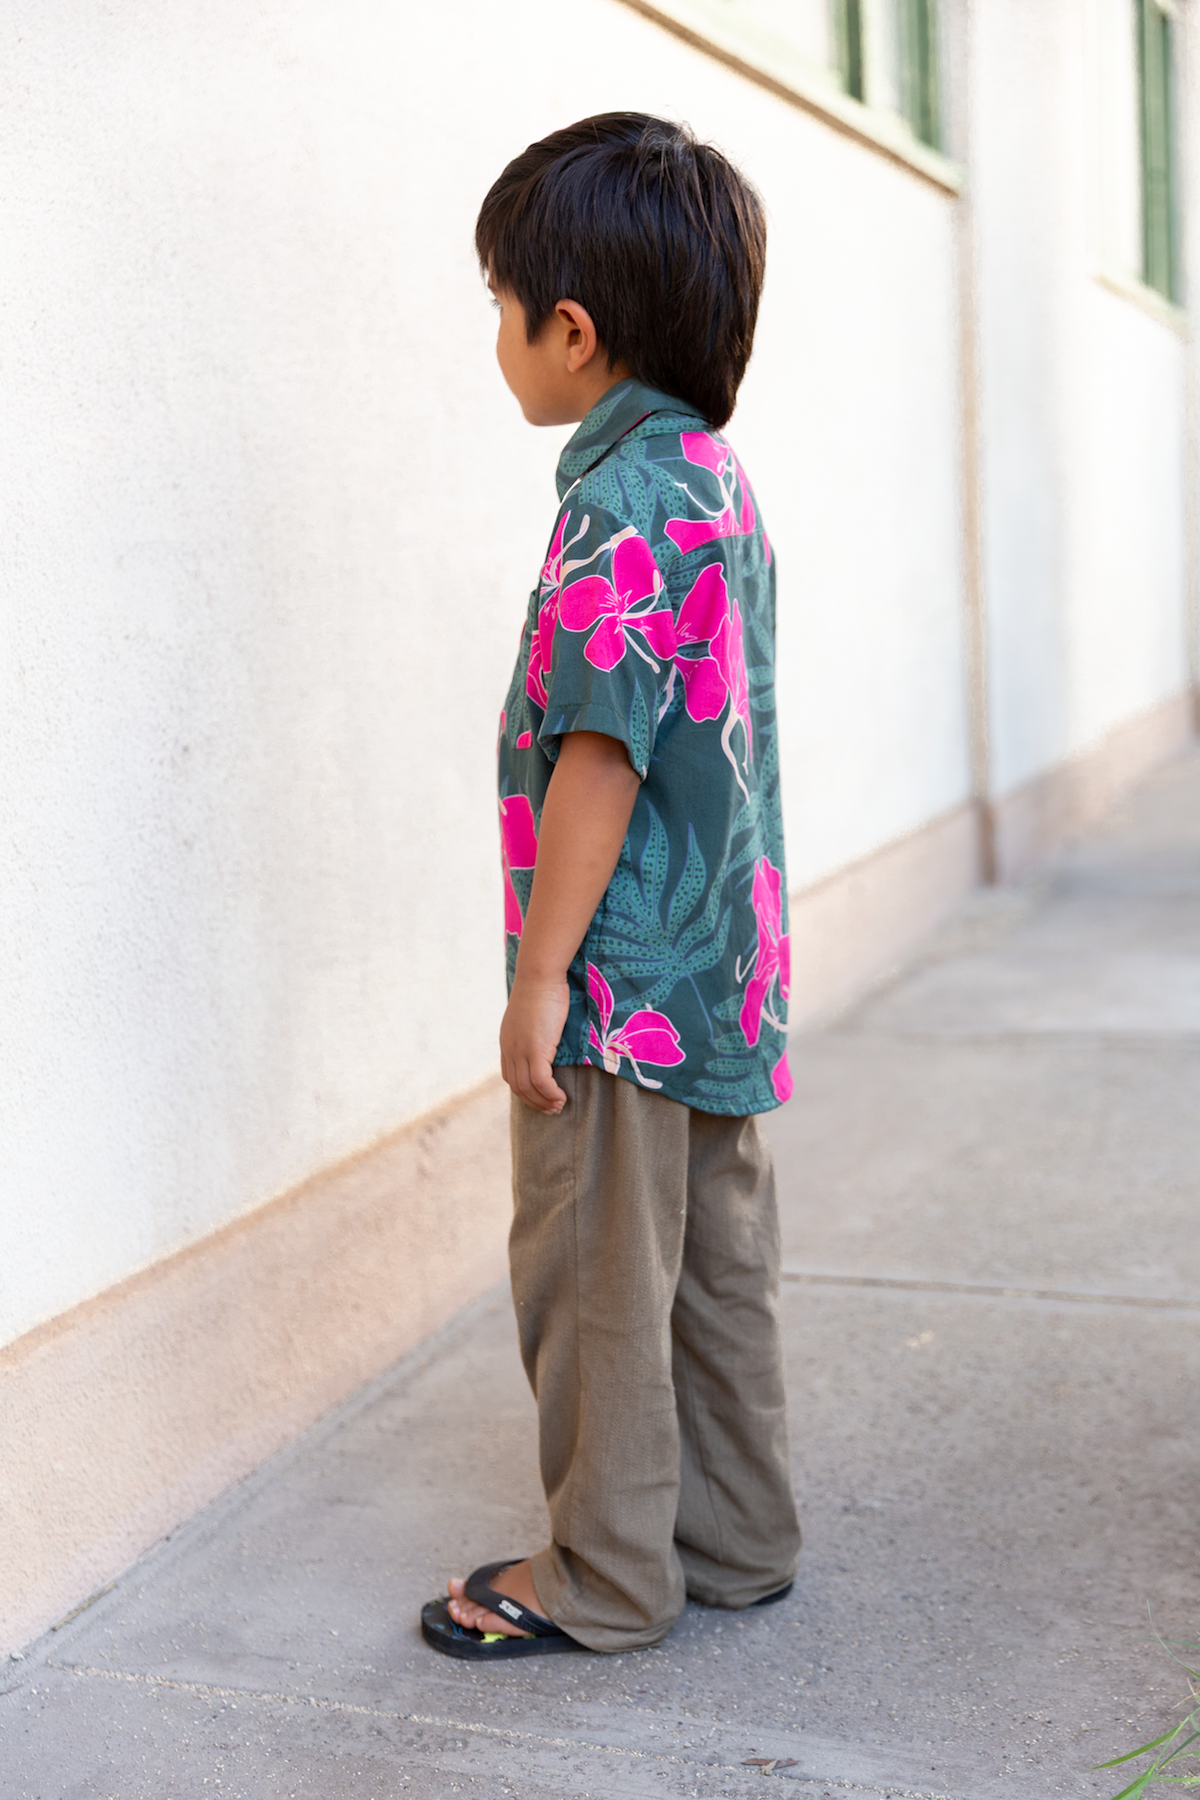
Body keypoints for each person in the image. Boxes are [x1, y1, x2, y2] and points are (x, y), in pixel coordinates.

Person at [421, 113, 801, 1661]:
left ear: (569, 332)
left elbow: (603, 755)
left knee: (589, 1270)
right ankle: (737, 1537)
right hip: (720, 966)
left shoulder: (618, 507)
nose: (497, 339)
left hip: (623, 993)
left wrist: (538, 981)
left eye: (502, 307)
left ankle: (608, 1572)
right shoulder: (713, 478)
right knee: (714, 1264)